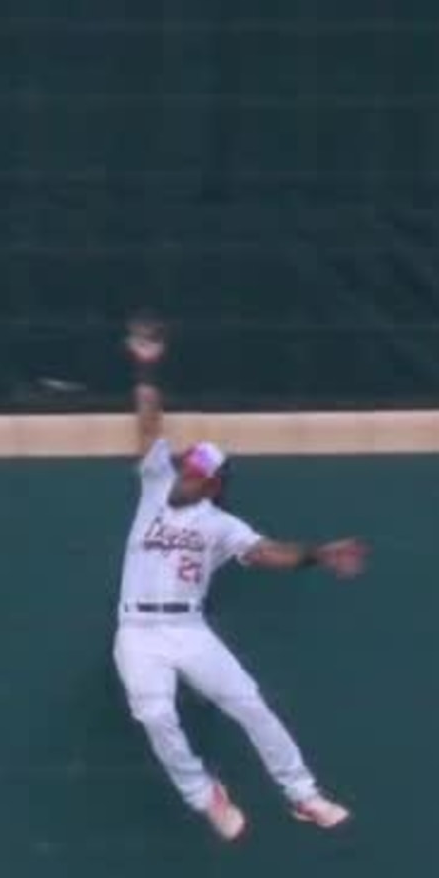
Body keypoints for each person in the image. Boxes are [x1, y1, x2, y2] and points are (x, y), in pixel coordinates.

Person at [111, 313, 367, 841]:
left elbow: (268, 552)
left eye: (196, 473)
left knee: (249, 702)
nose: (185, 473)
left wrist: (318, 554)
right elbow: (148, 424)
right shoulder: (155, 485)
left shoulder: (220, 525)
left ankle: (303, 794)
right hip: (137, 629)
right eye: (186, 466)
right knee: (156, 716)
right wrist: (146, 368)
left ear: (210, 486)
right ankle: (205, 796)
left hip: (187, 628)